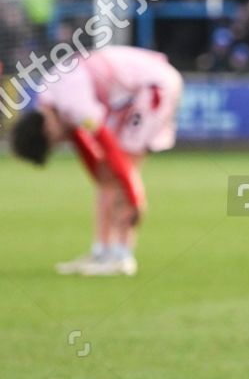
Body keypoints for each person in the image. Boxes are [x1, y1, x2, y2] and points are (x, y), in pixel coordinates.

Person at [9, 45, 183, 276]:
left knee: (123, 169)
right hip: (132, 93)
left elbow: (110, 149)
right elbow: (87, 151)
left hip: (152, 87)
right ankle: (102, 251)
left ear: (47, 131)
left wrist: (134, 196)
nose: (60, 144)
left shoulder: (72, 101)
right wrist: (103, 179)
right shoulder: (51, 99)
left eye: (54, 144)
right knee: (109, 177)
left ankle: (122, 255)